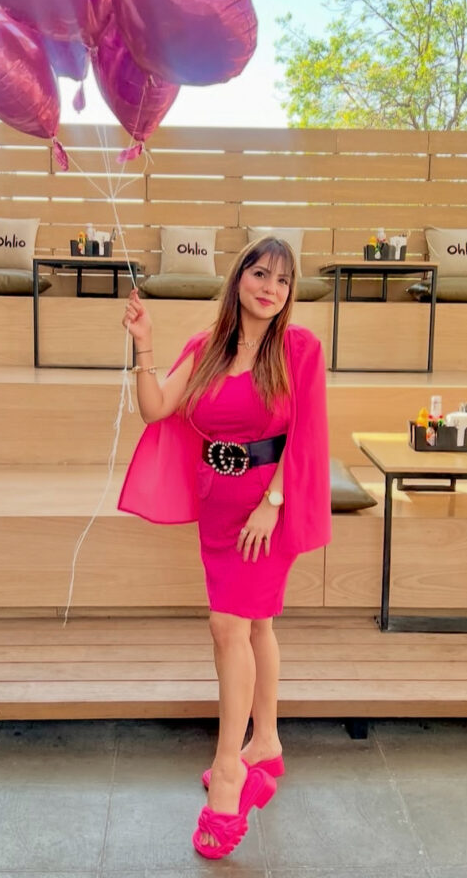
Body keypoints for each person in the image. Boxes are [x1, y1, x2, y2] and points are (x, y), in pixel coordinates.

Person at [118, 236, 331, 860]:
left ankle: (230, 771)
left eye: (282, 280)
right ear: (239, 278)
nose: (270, 288)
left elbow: (307, 434)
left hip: (266, 509)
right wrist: (143, 343)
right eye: (260, 274)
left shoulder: (299, 348)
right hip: (219, 505)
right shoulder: (206, 347)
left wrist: (274, 503)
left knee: (226, 627)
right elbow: (156, 408)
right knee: (255, 624)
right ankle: (265, 742)